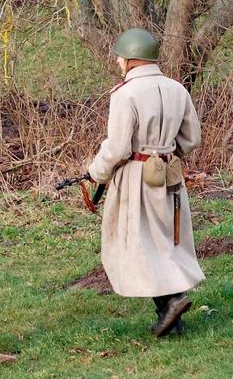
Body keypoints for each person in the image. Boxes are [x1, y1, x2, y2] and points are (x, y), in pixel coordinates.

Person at [87, 28, 205, 337]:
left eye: (119, 57)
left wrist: (95, 173)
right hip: (170, 175)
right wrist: (166, 153)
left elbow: (118, 148)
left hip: (137, 177)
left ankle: (172, 302)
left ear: (129, 59)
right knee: (166, 241)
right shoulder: (177, 88)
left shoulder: (126, 93)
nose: (117, 62)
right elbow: (191, 138)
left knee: (139, 244)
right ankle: (173, 320)